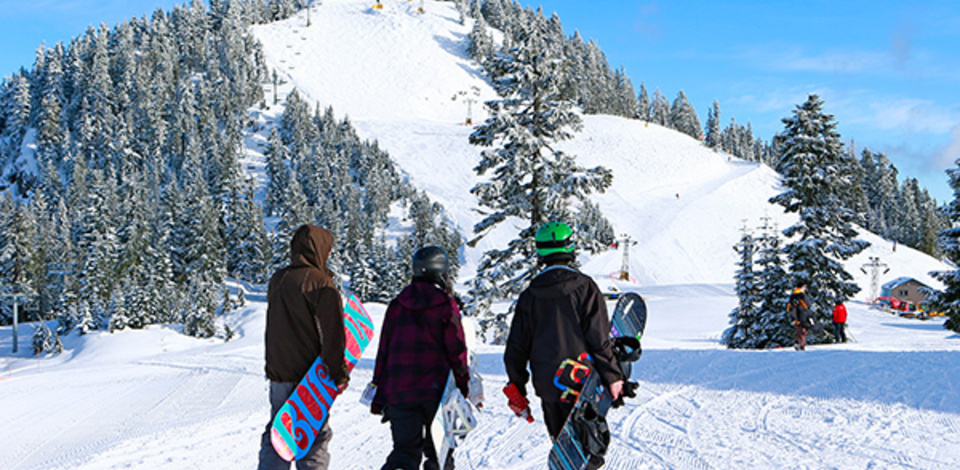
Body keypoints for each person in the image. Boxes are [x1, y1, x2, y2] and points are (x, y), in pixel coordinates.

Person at [504, 221, 624, 440]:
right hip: (583, 383)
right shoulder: (586, 287)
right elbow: (598, 339)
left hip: (550, 385)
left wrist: (517, 390)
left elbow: (516, 349)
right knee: (589, 449)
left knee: (564, 448)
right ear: (570, 247)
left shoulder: (530, 295)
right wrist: (613, 376)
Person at [258, 225, 349, 470]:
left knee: (279, 434)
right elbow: (334, 336)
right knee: (313, 436)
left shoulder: (278, 279)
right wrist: (338, 373)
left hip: (278, 375)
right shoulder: (321, 284)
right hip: (309, 378)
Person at [371, 246, 470, 470]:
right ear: (441, 272)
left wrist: (379, 390)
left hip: (400, 391)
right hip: (436, 393)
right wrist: (463, 385)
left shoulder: (397, 305)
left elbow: (384, 351)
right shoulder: (445, 304)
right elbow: (457, 349)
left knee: (404, 453)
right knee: (439, 456)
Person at [788, 282, 813, 351]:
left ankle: (799, 343)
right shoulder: (802, 295)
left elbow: (790, 307)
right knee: (803, 331)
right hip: (802, 315)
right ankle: (801, 344)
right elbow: (807, 305)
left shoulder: (793, 295)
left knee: (798, 330)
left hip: (796, 315)